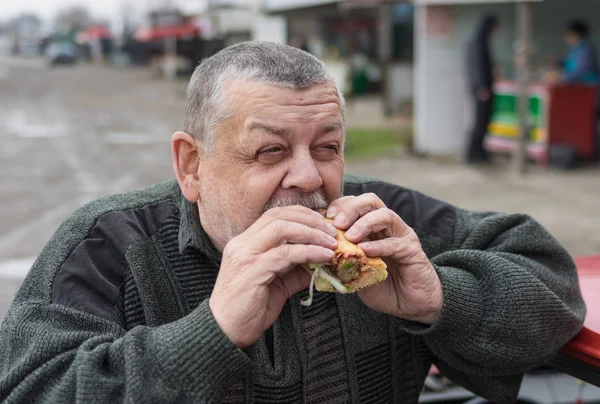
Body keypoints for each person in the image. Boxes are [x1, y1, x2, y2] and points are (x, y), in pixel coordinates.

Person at [0, 42, 585, 404]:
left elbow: (553, 284)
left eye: (327, 148)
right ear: (192, 165)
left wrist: (441, 297)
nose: (308, 178)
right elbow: (31, 390)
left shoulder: (382, 226)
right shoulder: (107, 246)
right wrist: (209, 333)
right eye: (271, 152)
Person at [465, 14, 499, 165]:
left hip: (480, 89)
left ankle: (479, 153)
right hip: (482, 90)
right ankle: (474, 154)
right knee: (480, 123)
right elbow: (477, 68)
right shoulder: (479, 43)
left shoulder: (477, 42)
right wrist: (482, 87)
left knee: (482, 122)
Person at [561, 19, 600, 85]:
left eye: (569, 35)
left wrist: (562, 78)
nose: (566, 39)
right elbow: (571, 64)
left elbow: (581, 71)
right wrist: (559, 63)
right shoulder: (575, 49)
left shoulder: (586, 50)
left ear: (577, 35)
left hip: (589, 87)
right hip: (580, 87)